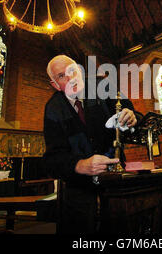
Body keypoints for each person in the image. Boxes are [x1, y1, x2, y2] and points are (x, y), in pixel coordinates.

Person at [41, 55, 139, 234]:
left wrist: (132, 117)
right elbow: (53, 159)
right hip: (79, 196)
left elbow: (133, 114)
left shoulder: (103, 86)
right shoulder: (53, 108)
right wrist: (79, 165)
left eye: (73, 71)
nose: (71, 78)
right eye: (62, 76)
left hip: (116, 185)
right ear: (55, 85)